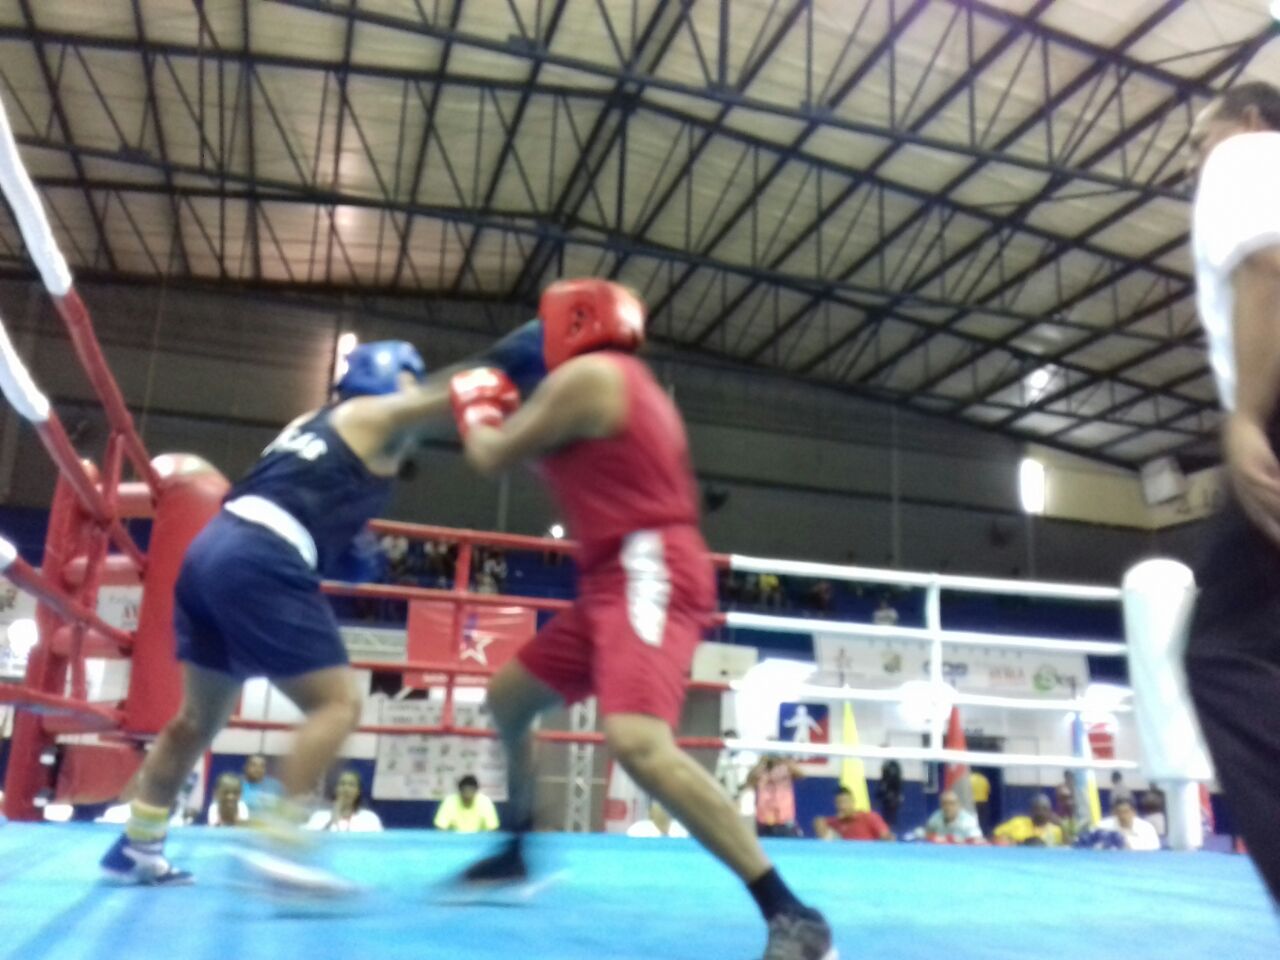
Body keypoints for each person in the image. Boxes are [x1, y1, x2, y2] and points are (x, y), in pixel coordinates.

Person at [450, 280, 834, 959]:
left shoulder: (597, 375)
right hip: (612, 577)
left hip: (648, 566)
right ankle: (515, 845)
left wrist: (477, 400)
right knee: (508, 699)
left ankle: (792, 913)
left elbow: (487, 456)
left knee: (638, 743)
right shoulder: (613, 388)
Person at [100, 340, 453, 888]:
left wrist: (343, 545)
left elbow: (297, 494)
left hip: (210, 549)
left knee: (196, 721)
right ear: (387, 379)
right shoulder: (369, 413)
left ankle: (138, 844)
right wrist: (527, 355)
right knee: (336, 704)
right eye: (408, 381)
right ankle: (280, 840)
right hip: (259, 556)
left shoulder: (311, 422)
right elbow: (435, 400)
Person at [1183, 80, 1280, 903]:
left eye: (1197, 136)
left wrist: (1247, 414)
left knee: (1223, 656)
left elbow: (1269, 261)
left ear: (1248, 119)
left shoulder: (1248, 155)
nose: (1193, 158)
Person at [305, 769, 383, 833]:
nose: (346, 789)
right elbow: (310, 844)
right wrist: (331, 822)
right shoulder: (319, 817)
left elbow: (377, 845)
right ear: (335, 789)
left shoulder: (369, 818)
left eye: (351, 785)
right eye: (342, 784)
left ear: (358, 791)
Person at [749, 756, 804, 838]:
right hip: (764, 820)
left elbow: (801, 774)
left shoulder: (785, 770)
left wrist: (785, 762)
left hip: (784, 820)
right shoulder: (761, 773)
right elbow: (750, 781)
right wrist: (762, 764)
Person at [814, 788, 892, 842]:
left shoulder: (870, 817)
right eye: (838, 803)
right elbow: (818, 821)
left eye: (844, 802)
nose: (842, 806)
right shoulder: (837, 821)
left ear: (852, 802)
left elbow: (887, 837)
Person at [434, 775, 500, 833]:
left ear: (476, 791)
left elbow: (492, 829)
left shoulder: (485, 802)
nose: (467, 794)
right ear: (460, 791)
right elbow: (441, 827)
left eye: (471, 790)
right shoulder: (449, 801)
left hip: (479, 841)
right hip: (455, 841)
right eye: (465, 791)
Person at [993, 794, 1065, 847]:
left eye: (1044, 809)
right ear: (1030, 810)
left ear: (1050, 811)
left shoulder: (1056, 831)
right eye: (1036, 808)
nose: (1040, 812)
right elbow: (996, 836)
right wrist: (1016, 843)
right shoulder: (1017, 822)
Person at [1092, 797, 1161, 852]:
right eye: (1119, 812)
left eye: (1126, 811)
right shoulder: (1102, 826)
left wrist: (1129, 845)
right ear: (1114, 813)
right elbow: (1094, 848)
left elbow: (1154, 848)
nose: (1122, 815)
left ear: (1134, 812)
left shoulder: (1147, 828)